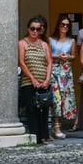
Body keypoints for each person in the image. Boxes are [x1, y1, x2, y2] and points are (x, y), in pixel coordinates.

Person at [17, 16, 53, 145]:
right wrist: (32, 79)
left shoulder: (44, 45)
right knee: (32, 110)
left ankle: (43, 136)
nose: (35, 31)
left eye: (38, 29)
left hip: (44, 82)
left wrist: (47, 79)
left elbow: (49, 62)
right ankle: (35, 137)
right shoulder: (22, 43)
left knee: (43, 110)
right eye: (33, 28)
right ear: (28, 29)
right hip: (28, 82)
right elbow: (21, 62)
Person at [49, 15, 77, 139]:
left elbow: (74, 56)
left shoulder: (72, 41)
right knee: (56, 98)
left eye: (67, 25)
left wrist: (67, 57)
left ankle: (58, 125)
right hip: (54, 70)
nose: (65, 27)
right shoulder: (51, 39)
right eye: (62, 24)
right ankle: (56, 126)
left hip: (66, 71)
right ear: (58, 25)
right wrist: (57, 56)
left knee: (65, 98)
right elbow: (48, 55)